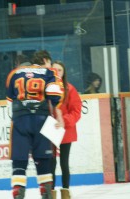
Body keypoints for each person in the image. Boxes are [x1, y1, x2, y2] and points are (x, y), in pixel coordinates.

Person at [6, 50, 64, 199]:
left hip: (20, 118)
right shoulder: (49, 72)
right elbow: (55, 96)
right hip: (41, 118)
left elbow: (10, 103)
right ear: (45, 60)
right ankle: (46, 190)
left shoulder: (14, 73)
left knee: (19, 158)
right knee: (43, 158)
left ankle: (18, 190)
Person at [51, 61, 82, 199]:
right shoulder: (46, 89)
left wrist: (64, 121)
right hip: (50, 129)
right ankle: (50, 192)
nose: (57, 72)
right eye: (55, 69)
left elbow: (76, 111)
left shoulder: (70, 89)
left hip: (65, 130)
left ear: (64, 73)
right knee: (50, 163)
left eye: (60, 70)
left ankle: (65, 192)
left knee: (64, 162)